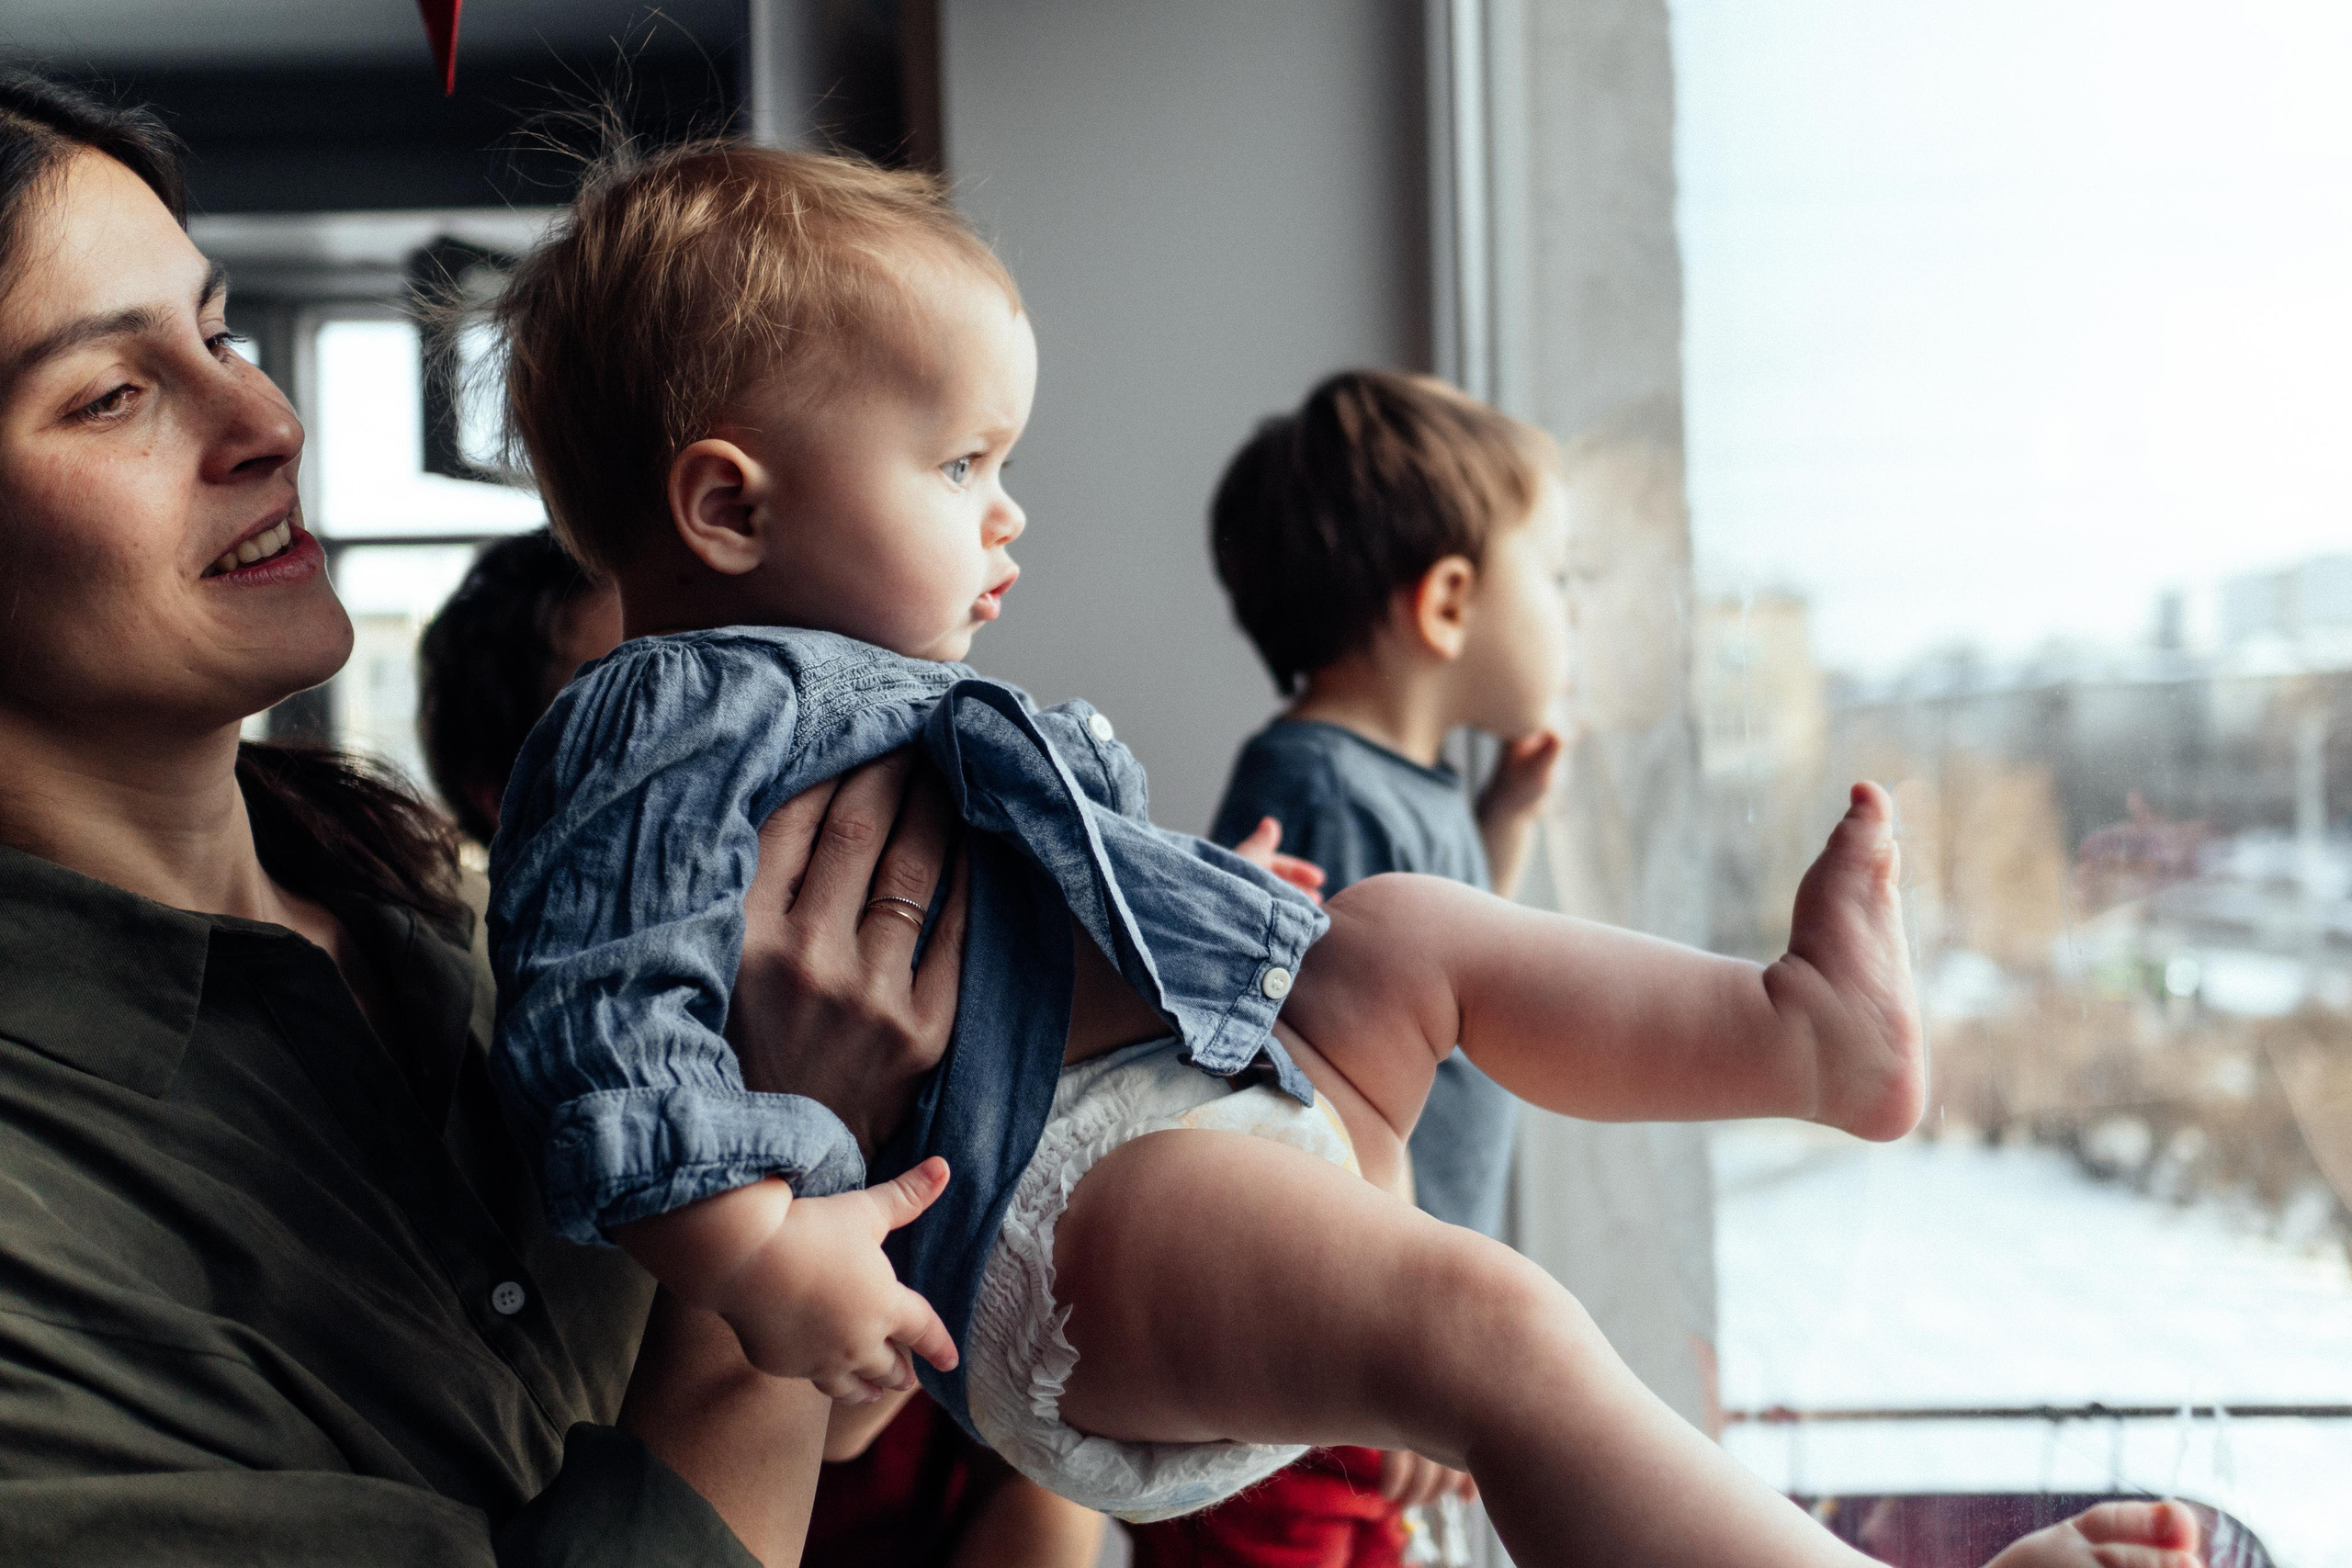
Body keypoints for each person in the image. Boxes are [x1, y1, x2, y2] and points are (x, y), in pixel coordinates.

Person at [481, 136, 1949, 1567]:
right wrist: (751, 1251)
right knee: (1504, 1329)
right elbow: (606, 1025)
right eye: (957, 461)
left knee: (1405, 929)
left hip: (1185, 1099)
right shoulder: (661, 717)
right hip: (1050, 1218)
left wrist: (1178, 900)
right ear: (730, 504)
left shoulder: (865, 696)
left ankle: (1795, 1035)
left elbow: (988, 930)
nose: (1009, 509)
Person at [0, 68, 972, 1567]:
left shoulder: (469, 919)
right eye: (114, 392)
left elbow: (836, 1405)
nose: (269, 417)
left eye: (221, 332)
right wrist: (793, 1138)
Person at [415, 530, 1105, 1568]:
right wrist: (805, 1132)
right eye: (677, 698)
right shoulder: (583, 1049)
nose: (765, 732)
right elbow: (837, 1391)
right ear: (521, 790)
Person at [1131, 369, 1571, 1567]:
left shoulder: (1399, 788)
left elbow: (1447, 984)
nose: (1569, 612)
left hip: (1363, 1342)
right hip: (1315, 1355)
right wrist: (1416, 1328)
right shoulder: (1321, 787)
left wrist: (1505, 824)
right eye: (1557, 577)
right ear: (1446, 602)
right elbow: (1302, 1072)